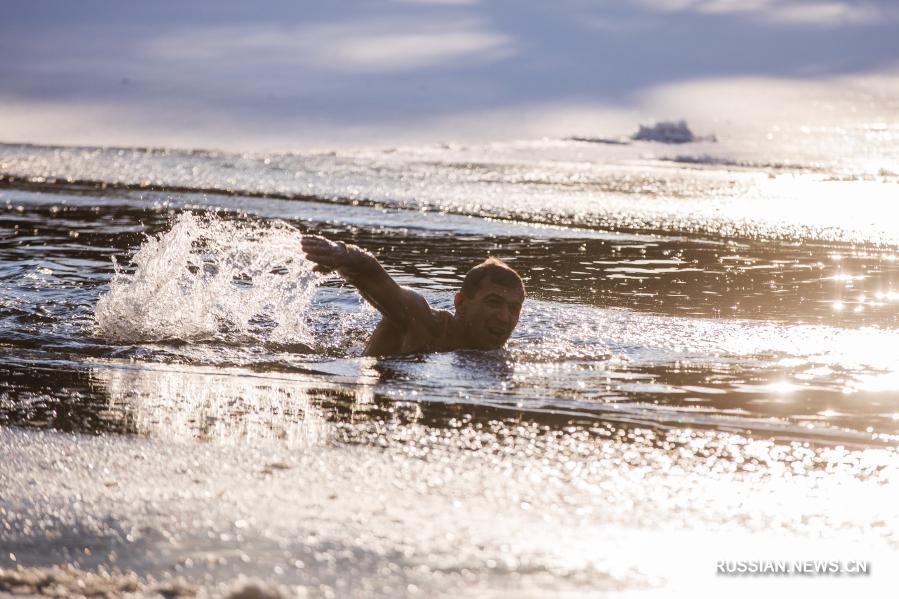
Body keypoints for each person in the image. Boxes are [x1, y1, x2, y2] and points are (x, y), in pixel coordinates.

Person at [301, 235, 525, 356]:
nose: (504, 318)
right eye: (493, 302)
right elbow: (376, 278)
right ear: (460, 302)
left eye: (514, 308)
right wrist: (344, 254)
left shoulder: (500, 352)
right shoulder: (423, 321)